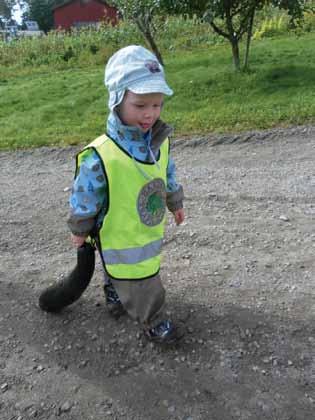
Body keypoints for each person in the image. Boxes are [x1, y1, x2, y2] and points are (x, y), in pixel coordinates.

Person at [46, 45, 185, 343]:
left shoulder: (159, 143)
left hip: (142, 228)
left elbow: (166, 173)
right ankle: (153, 318)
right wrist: (81, 227)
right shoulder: (101, 155)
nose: (150, 114)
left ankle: (114, 292)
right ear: (117, 100)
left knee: (120, 264)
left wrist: (175, 201)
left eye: (157, 104)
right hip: (115, 229)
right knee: (141, 277)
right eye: (140, 105)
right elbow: (85, 194)